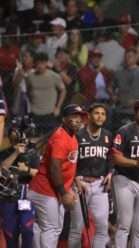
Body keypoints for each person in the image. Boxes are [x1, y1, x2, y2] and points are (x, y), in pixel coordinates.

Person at [27, 104, 87, 248]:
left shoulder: (71, 136)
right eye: (74, 117)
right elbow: (54, 168)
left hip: (52, 190)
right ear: (64, 119)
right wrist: (64, 192)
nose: (79, 120)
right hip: (45, 190)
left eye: (80, 117)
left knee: (55, 228)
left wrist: (73, 184)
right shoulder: (60, 138)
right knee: (51, 229)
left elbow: (67, 167)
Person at [109, 98, 139, 248]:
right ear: (136, 113)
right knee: (124, 224)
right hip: (124, 180)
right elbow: (114, 157)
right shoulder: (124, 131)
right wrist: (135, 162)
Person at [68, 103, 113, 248]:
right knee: (77, 227)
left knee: (102, 226)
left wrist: (110, 174)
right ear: (89, 116)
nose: (100, 116)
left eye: (103, 113)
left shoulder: (107, 136)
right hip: (80, 183)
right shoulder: (78, 135)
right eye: (96, 113)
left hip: (100, 185)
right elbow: (70, 161)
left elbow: (111, 158)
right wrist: (75, 180)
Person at [0, 125, 40, 248]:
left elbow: (39, 174)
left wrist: (26, 169)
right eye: (14, 133)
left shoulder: (32, 153)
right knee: (10, 233)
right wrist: (16, 152)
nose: (17, 136)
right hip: (8, 195)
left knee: (27, 229)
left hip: (25, 194)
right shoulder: (4, 153)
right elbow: (2, 169)